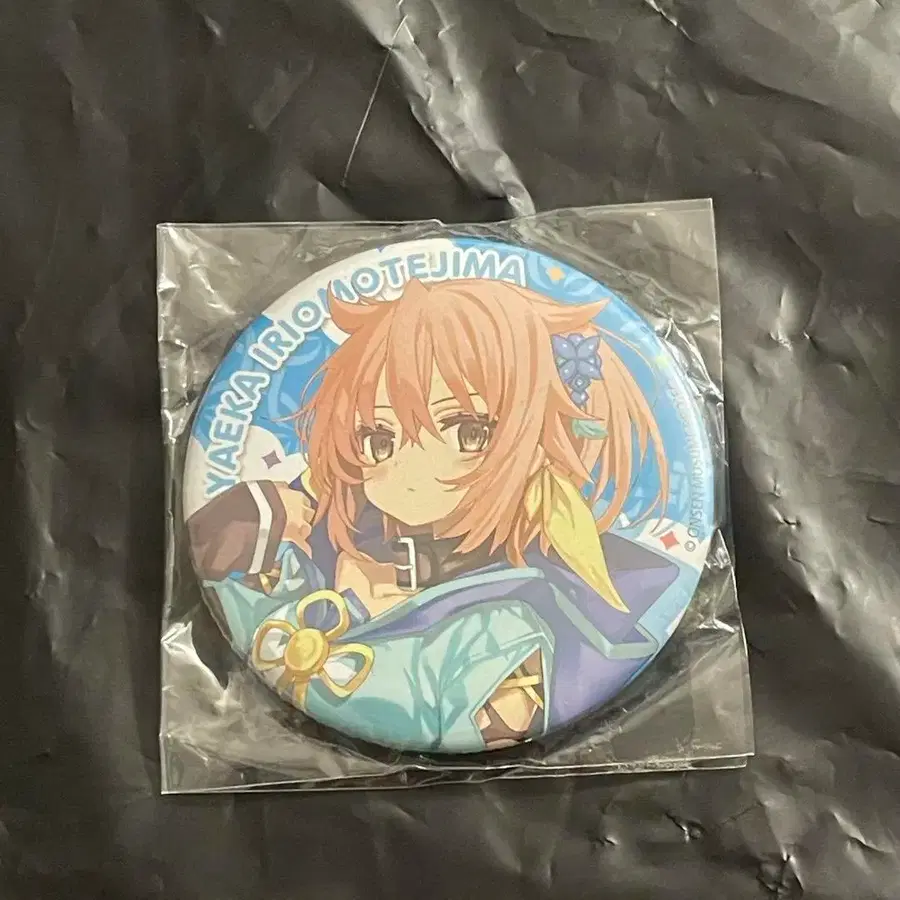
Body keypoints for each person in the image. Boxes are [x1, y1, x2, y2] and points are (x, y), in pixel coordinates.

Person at [188, 278, 678, 752]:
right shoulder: (313, 534)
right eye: (378, 438)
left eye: (469, 432)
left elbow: (486, 724)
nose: (407, 472)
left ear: (542, 447)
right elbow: (229, 586)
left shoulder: (505, 627)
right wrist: (258, 518)